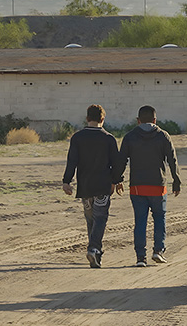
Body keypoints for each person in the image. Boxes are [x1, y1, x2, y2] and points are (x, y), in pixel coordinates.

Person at [62, 104, 126, 268]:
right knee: (100, 218)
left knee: (90, 219)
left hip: (85, 186)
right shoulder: (109, 138)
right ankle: (94, 249)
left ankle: (95, 252)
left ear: (87, 118)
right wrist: (116, 180)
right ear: (103, 119)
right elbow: (117, 163)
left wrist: (66, 181)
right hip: (103, 186)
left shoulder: (77, 137)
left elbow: (72, 161)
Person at [120, 105, 181, 267]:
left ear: (138, 120)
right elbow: (172, 160)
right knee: (159, 218)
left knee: (140, 221)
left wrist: (117, 179)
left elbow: (121, 161)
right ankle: (158, 251)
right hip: (158, 186)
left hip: (137, 187)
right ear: (155, 120)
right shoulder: (163, 136)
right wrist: (176, 180)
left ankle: (141, 257)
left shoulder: (130, 137)